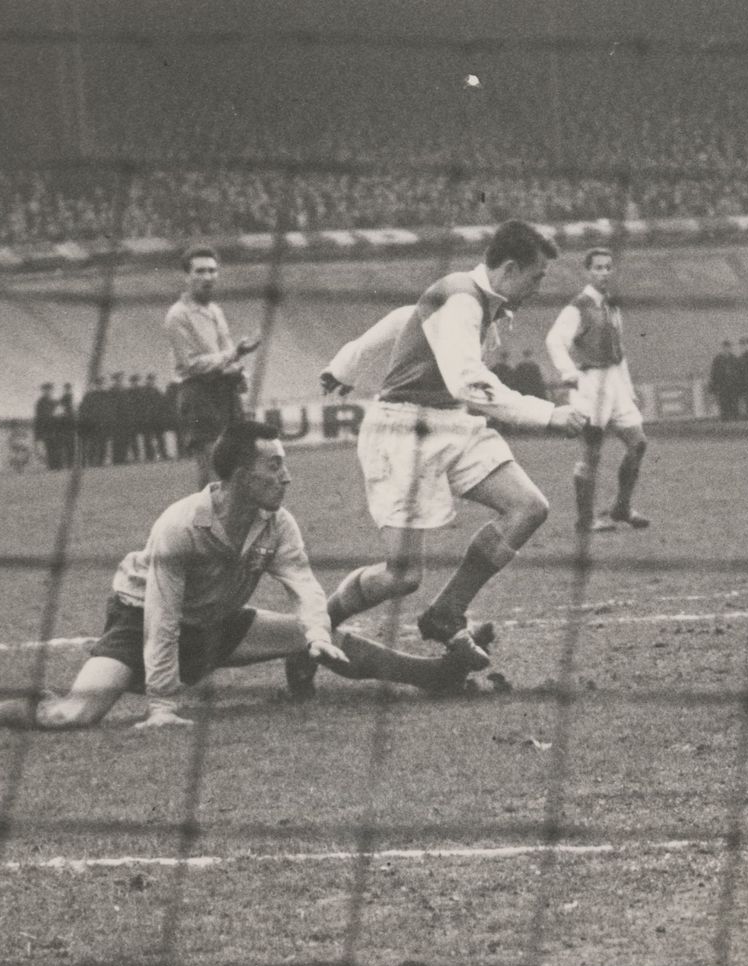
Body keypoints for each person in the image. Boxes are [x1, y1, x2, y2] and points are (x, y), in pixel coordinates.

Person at [0, 422, 485, 734]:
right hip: (139, 624)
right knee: (73, 716)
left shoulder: (276, 522)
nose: (287, 476)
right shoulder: (181, 526)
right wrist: (161, 703)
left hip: (215, 625)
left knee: (333, 641)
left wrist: (314, 631)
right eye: (274, 466)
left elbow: (306, 586)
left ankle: (434, 675)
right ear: (239, 475)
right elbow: (160, 617)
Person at [315, 219, 587, 689]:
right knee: (402, 575)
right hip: (404, 430)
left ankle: (447, 611)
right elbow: (465, 379)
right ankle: (317, 624)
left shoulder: (475, 299)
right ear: (508, 268)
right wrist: (547, 415)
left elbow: (407, 316)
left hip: (451, 423)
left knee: (527, 507)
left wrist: (347, 361)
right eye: (537, 276)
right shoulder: (462, 297)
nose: (540, 287)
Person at [544, 246, 653, 532]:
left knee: (638, 443)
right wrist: (568, 373)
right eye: (598, 268)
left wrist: (628, 389)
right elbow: (555, 340)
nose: (604, 273)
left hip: (615, 382)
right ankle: (585, 519)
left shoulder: (612, 305)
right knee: (592, 453)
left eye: (608, 267)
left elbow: (621, 350)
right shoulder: (578, 306)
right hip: (590, 385)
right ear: (587, 271)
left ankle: (622, 507)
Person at [166, 247, 261, 485]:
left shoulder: (215, 310)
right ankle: (206, 521)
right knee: (211, 468)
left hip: (225, 393)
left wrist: (239, 372)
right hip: (200, 395)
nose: (208, 277)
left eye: (212, 271)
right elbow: (191, 363)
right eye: (200, 271)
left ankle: (234, 521)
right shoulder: (178, 315)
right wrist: (235, 353)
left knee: (239, 466)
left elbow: (226, 352)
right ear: (187, 276)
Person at [34, 383, 66, 470]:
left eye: (49, 390)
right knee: (50, 452)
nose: (48, 392)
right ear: (43, 391)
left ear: (52, 391)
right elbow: (39, 419)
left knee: (58, 452)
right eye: (45, 390)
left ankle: (59, 470)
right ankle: (52, 471)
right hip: (47, 431)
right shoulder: (40, 403)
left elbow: (62, 417)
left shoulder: (56, 402)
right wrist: (38, 436)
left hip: (57, 431)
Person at [708, 340, 739, 419]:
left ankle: (734, 417)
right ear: (722, 348)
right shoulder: (717, 359)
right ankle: (725, 417)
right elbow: (714, 373)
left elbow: (738, 372)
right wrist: (714, 386)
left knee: (734, 401)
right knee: (723, 402)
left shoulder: (734, 358)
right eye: (725, 347)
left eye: (728, 347)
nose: (726, 349)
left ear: (730, 348)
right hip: (722, 384)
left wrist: (737, 382)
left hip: (733, 384)